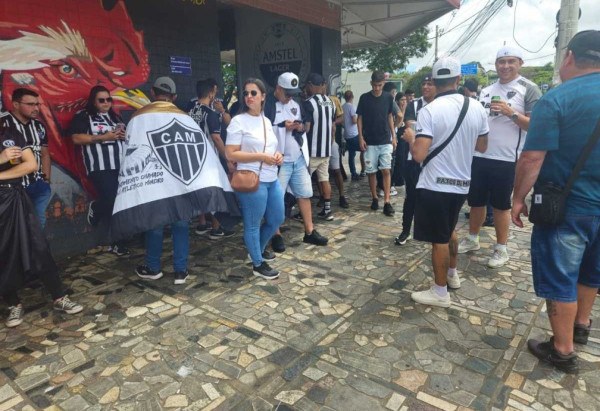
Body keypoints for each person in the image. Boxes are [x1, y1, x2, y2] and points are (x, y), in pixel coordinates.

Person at [512, 30, 600, 374]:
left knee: (561, 275)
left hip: (568, 207)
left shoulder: (557, 99)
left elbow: (532, 158)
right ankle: (582, 324)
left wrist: (518, 199)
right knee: (592, 271)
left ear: (569, 57)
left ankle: (562, 349)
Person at [407, 56, 488, 308]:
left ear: (434, 80)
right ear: (458, 79)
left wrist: (411, 137)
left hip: (435, 184)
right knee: (450, 230)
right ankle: (452, 274)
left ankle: (440, 291)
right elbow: (482, 146)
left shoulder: (429, 110)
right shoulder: (476, 107)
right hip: (462, 182)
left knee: (439, 239)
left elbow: (419, 154)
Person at [458, 47, 542, 268]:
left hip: (507, 158)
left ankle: (501, 248)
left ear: (520, 63)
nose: (505, 66)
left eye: (510, 61)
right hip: (480, 155)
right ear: (495, 64)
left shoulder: (529, 89)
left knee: (500, 205)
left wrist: (510, 112)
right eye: (501, 62)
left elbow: (535, 126)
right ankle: (473, 238)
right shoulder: (486, 90)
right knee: (475, 201)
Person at [1, 121, 82, 328]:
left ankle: (59, 296)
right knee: (2, 253)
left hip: (14, 198)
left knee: (39, 247)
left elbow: (30, 164)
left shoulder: (9, 133)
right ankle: (13, 304)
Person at [132, 77, 192, 285]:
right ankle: (180, 271)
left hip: (153, 179)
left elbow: (133, 150)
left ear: (152, 92)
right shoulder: (183, 117)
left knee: (155, 225)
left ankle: (153, 267)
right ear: (174, 97)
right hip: (179, 179)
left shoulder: (139, 117)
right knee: (181, 224)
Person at [226, 78, 284, 279]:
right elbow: (231, 154)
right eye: (246, 93)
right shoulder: (238, 121)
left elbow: (272, 148)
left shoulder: (266, 121)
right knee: (252, 223)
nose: (248, 97)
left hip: (271, 177)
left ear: (263, 97)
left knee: (277, 217)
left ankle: (255, 251)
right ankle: (258, 264)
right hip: (251, 178)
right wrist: (260, 157)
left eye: (253, 93)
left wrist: (278, 156)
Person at [266, 72, 329, 252]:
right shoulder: (269, 105)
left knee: (304, 194)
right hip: (279, 159)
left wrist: (299, 127)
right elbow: (264, 130)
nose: (290, 97)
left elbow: (303, 127)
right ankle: (275, 233)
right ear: (278, 89)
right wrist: (281, 126)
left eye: (292, 94)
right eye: (287, 93)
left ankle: (309, 230)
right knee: (275, 198)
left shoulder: (296, 103)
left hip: (298, 156)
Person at [69, 85, 130, 256]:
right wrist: (104, 137)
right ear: (93, 101)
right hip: (100, 166)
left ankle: (118, 242)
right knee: (111, 199)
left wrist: (125, 136)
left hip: (121, 166)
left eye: (108, 99)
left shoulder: (115, 116)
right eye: (101, 100)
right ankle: (97, 207)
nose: (106, 103)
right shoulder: (84, 116)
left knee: (120, 203)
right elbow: (75, 138)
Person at [189, 79, 235, 239]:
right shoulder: (210, 113)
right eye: (214, 91)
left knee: (200, 190)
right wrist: (227, 158)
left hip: (192, 159)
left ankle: (202, 224)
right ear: (210, 93)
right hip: (209, 160)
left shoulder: (188, 111)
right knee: (216, 193)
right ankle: (216, 228)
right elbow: (216, 138)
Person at [0, 88, 51, 228]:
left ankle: (35, 251)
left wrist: (46, 180)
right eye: (30, 104)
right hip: (13, 188)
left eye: (37, 104)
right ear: (15, 104)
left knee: (38, 225)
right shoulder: (4, 123)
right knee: (15, 228)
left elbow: (45, 154)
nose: (36, 108)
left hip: (38, 185)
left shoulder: (39, 126)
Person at [395, 74, 436, 245]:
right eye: (424, 84)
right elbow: (411, 127)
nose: (426, 87)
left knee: (432, 198)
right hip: (413, 158)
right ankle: (406, 230)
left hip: (435, 161)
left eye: (430, 84)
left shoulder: (443, 105)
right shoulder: (414, 104)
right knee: (410, 197)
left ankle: (431, 231)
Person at [357, 70, 397, 216]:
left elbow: (390, 117)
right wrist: (360, 137)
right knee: (371, 171)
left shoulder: (388, 98)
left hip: (385, 139)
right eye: (374, 85)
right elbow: (359, 118)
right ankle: (374, 197)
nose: (376, 88)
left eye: (379, 85)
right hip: (370, 141)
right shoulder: (364, 98)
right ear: (371, 84)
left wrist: (394, 136)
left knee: (386, 169)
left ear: (383, 84)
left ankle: (387, 201)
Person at [303, 73, 336, 221]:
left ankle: (304, 212)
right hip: (326, 149)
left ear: (310, 85)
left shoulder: (308, 102)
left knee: (305, 181)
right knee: (324, 179)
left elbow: (307, 128)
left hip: (312, 150)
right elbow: (332, 125)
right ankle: (327, 210)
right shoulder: (331, 102)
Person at [342, 90, 362, 181]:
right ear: (352, 97)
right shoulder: (352, 107)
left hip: (346, 134)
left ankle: (353, 172)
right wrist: (359, 118)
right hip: (354, 134)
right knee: (364, 149)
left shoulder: (343, 107)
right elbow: (354, 121)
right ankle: (364, 171)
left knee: (351, 154)